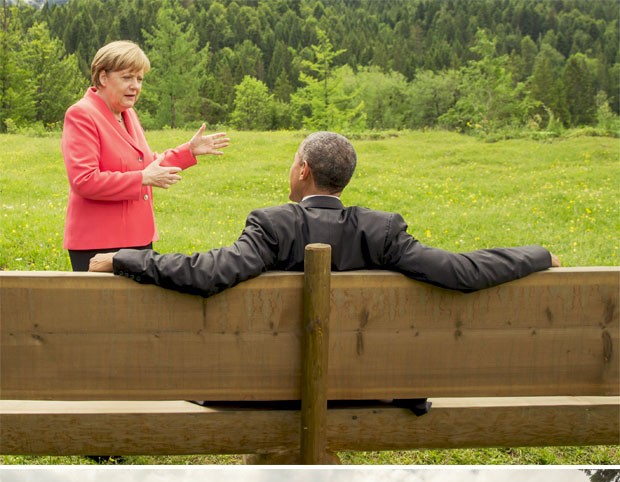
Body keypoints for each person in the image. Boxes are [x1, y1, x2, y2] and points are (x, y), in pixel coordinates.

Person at [88, 129, 560, 294]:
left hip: (268, 390)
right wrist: (539, 255)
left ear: (303, 170)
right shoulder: (382, 231)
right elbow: (463, 270)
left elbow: (209, 273)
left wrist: (124, 258)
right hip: (368, 387)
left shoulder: (273, 226)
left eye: (293, 161)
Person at [62, 40, 229, 271]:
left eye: (139, 79)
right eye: (127, 78)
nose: (135, 86)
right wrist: (141, 178)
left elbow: (148, 165)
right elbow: (84, 180)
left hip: (139, 240)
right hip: (98, 244)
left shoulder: (128, 114)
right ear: (103, 77)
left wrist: (188, 151)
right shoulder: (81, 114)